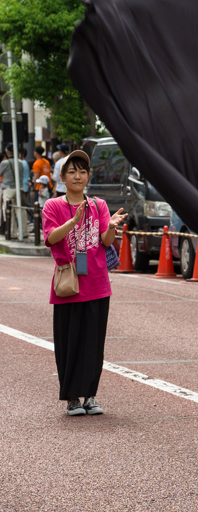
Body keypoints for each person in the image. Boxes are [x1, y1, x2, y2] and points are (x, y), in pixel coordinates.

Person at [42, 151, 127, 416]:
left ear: (88, 175)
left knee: (93, 343)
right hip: (68, 284)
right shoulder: (52, 206)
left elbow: (104, 240)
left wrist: (111, 226)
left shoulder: (99, 205)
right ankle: (71, 398)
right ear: (63, 177)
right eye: (72, 172)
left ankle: (90, 396)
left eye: (82, 171)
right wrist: (73, 222)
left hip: (97, 284)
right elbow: (51, 238)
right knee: (69, 342)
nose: (77, 176)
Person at [0, 145, 28, 235]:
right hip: (20, 189)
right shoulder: (20, 162)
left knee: (9, 211)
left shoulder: (4, 163)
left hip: (9, 189)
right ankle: (24, 232)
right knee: (21, 210)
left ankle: (12, 233)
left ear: (7, 152)